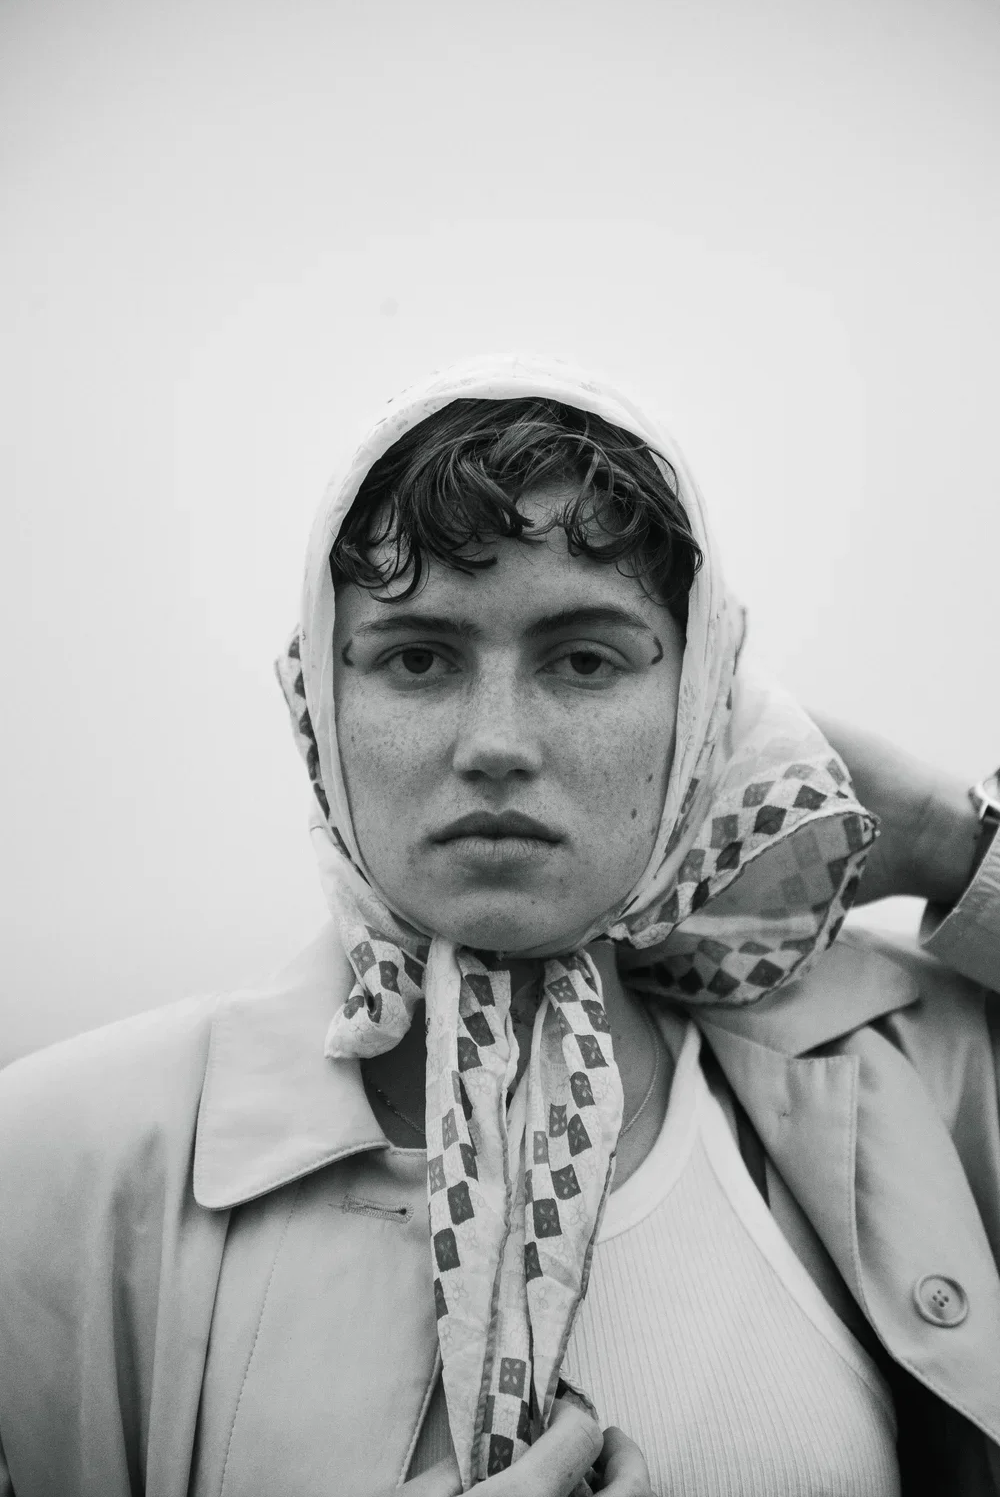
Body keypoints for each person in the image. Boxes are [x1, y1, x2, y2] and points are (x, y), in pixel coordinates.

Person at [1, 354, 998, 1497]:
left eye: (583, 660)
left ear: (702, 708)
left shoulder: (908, 1076)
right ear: (320, 703)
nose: (495, 743)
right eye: (418, 658)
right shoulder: (56, 1159)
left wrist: (946, 835)